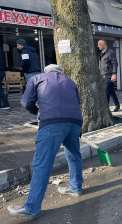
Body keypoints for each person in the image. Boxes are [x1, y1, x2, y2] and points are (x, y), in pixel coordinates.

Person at [7, 64, 83, 219]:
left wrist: (38, 112)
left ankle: (31, 208)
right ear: (60, 72)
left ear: (46, 71)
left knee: (42, 164)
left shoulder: (36, 78)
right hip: (74, 122)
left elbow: (26, 102)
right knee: (74, 156)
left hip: (51, 124)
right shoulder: (70, 81)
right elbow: (78, 103)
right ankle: (75, 188)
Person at [98, 39, 120, 112]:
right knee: (111, 91)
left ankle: (106, 109)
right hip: (102, 75)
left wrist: (114, 74)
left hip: (108, 75)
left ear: (104, 45)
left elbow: (115, 64)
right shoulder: (102, 53)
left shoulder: (111, 53)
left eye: (99, 45)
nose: (98, 46)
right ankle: (117, 105)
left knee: (106, 91)